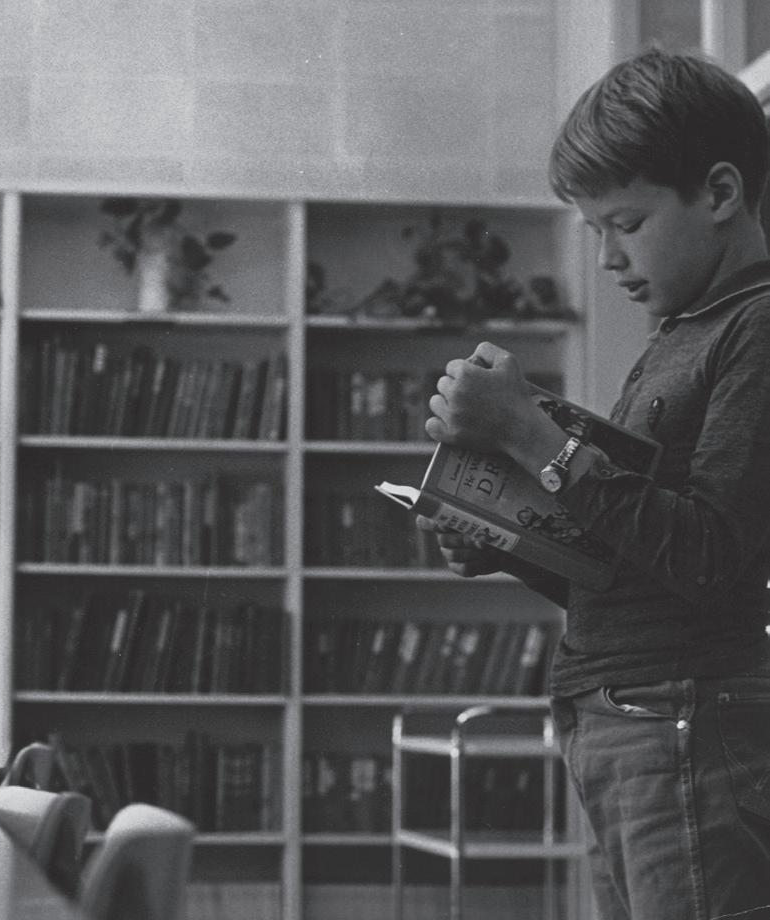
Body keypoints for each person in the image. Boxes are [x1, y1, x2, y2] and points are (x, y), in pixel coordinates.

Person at [422, 48, 770, 920]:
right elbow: (638, 565)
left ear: (719, 193)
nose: (608, 257)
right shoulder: (679, 333)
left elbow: (710, 555)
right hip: (630, 716)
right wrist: (506, 542)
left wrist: (527, 430)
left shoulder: (756, 327)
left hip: (680, 718)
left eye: (626, 223)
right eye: (593, 231)